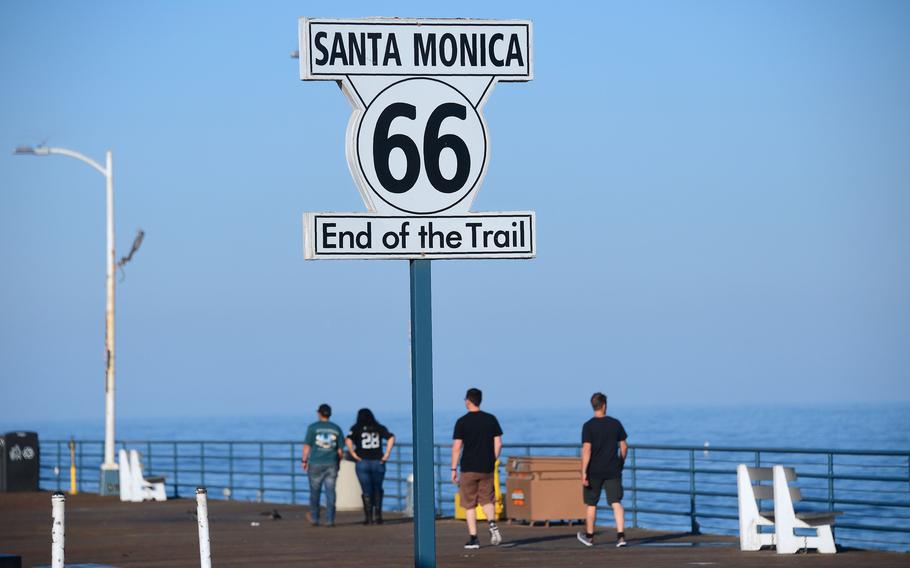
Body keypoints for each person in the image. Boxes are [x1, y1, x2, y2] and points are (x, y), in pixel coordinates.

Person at [451, 387, 503, 549]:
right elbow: (499, 442)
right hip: (486, 467)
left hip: (468, 467)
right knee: (487, 499)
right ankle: (492, 523)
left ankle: (474, 538)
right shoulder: (491, 419)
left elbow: (457, 447)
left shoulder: (462, 422)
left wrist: (453, 469)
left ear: (468, 401)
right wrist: (492, 458)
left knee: (469, 503)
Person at [577, 392, 628, 548]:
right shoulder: (615, 423)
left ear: (593, 406)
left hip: (594, 471)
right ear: (604, 405)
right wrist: (620, 462)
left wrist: (584, 471)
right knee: (616, 502)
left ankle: (590, 538)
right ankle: (620, 537)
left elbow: (587, 450)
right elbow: (624, 446)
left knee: (592, 504)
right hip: (613, 469)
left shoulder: (588, 426)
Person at [345, 408, 396, 525]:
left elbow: (348, 440)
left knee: (366, 490)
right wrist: (387, 453)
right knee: (378, 488)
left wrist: (353, 453)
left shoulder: (356, 428)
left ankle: (368, 518)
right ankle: (378, 516)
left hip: (362, 462)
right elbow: (391, 437)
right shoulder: (378, 427)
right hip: (378, 462)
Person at [301, 403, 343, 527]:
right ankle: (330, 520)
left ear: (319, 413)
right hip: (331, 463)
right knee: (330, 492)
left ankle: (314, 518)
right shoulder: (336, 428)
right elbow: (340, 451)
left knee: (315, 491)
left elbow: (307, 446)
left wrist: (304, 461)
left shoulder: (313, 428)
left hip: (315, 463)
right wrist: (338, 463)